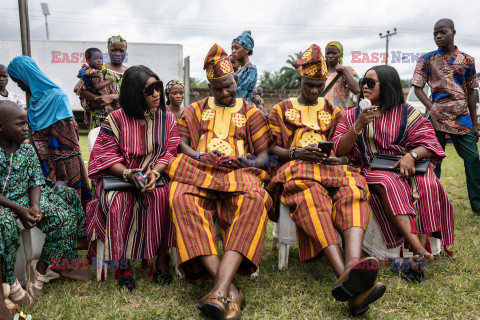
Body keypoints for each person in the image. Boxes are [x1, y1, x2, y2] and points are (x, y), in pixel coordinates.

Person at [267, 44, 384, 317]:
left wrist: (337, 159)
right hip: (296, 168)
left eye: (319, 85)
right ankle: (345, 274)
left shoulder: (334, 110)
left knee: (354, 189)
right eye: (310, 85)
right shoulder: (280, 109)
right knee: (311, 198)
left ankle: (352, 265)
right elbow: (272, 148)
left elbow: (343, 147)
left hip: (329, 168)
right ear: (300, 81)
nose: (315, 90)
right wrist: (296, 152)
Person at [166, 44, 273, 320]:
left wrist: (246, 161)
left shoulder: (252, 113)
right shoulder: (194, 110)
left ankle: (220, 290)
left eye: (228, 86)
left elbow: (264, 158)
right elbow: (181, 144)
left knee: (255, 199)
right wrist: (200, 154)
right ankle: (231, 291)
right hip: (199, 171)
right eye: (218, 89)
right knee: (180, 197)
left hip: (239, 173)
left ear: (236, 80)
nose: (225, 93)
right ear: (210, 88)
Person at [333, 65, 454, 282]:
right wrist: (358, 125)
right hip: (372, 168)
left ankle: (418, 257)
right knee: (388, 182)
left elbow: (430, 142)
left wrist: (412, 156)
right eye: (362, 81)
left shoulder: (406, 112)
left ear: (387, 86)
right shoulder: (352, 115)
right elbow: (340, 149)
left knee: (429, 184)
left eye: (371, 83)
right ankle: (417, 248)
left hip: (406, 165)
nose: (364, 86)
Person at [86, 66, 179, 290]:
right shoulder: (115, 119)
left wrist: (155, 172)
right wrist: (129, 174)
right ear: (135, 93)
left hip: (156, 177)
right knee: (120, 201)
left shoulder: (168, 119)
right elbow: (106, 156)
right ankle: (123, 265)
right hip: (120, 179)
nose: (157, 94)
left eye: (158, 87)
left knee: (166, 197)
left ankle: (162, 259)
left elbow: (170, 151)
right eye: (149, 90)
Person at [0, 101, 91, 306]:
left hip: (25, 199)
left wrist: (35, 206)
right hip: (5, 204)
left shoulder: (27, 150)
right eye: (20, 124)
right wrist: (19, 210)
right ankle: (10, 282)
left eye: (27, 123)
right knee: (5, 226)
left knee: (64, 216)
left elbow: (35, 182)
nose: (26, 129)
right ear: (1, 127)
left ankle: (40, 270)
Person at [411, 18, 480, 218]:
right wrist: (431, 108)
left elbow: (472, 92)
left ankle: (477, 205)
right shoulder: (427, 58)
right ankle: (431, 203)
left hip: (462, 119)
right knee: (433, 161)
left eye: (442, 32)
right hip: (436, 118)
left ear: (453, 32)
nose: (438, 36)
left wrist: (475, 124)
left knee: (473, 159)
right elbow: (417, 87)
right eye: (435, 33)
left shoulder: (468, 60)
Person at [7, 56, 92, 208]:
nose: (18, 85)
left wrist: (60, 174)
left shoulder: (57, 97)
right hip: (43, 166)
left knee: (68, 206)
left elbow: (68, 143)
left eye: (18, 80)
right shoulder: (36, 99)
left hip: (63, 170)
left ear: (26, 76)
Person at [75, 35, 128, 129]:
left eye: (121, 51)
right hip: (100, 117)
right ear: (108, 51)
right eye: (113, 50)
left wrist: (113, 96)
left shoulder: (130, 72)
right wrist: (102, 100)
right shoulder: (98, 69)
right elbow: (78, 89)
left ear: (125, 52)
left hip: (122, 118)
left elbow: (134, 94)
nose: (117, 54)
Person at [76, 48, 118, 127]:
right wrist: (108, 81)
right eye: (95, 59)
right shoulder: (94, 72)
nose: (99, 61)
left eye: (101, 58)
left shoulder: (92, 71)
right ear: (88, 61)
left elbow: (79, 74)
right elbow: (78, 88)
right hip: (99, 109)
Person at [324, 41, 360, 112]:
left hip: (338, 115)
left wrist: (344, 70)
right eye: (328, 53)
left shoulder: (347, 71)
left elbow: (356, 90)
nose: (330, 56)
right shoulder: (320, 71)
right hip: (319, 115)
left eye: (334, 53)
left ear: (340, 55)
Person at [231, 30, 257, 103]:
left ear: (246, 50)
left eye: (236, 48)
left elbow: (240, 93)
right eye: (232, 48)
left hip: (243, 109)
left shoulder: (251, 69)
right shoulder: (240, 69)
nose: (233, 51)